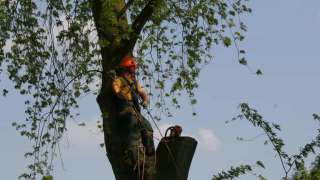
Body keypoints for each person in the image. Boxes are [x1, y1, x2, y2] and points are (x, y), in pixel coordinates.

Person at [111, 55, 156, 180]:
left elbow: (143, 93)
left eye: (133, 68)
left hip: (135, 111)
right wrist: (124, 95)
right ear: (126, 69)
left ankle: (150, 153)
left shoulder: (135, 82)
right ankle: (138, 161)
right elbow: (117, 92)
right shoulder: (118, 81)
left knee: (147, 128)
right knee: (133, 136)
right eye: (131, 68)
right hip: (125, 111)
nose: (133, 71)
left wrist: (145, 100)